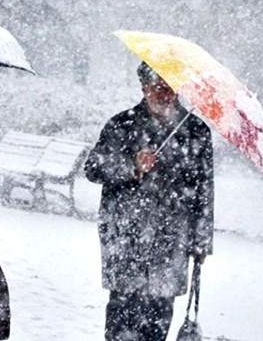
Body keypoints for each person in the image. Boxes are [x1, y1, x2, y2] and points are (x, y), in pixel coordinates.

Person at [85, 62, 214, 341]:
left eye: (170, 88)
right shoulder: (122, 124)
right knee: (120, 327)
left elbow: (204, 191)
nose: (164, 94)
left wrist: (201, 240)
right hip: (125, 241)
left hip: (170, 243)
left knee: (157, 324)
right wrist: (131, 165)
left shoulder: (195, 132)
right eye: (157, 87)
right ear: (143, 88)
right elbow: (93, 168)